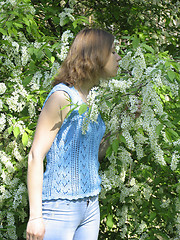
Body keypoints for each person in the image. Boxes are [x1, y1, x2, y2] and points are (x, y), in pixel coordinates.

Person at [26, 28, 121, 240]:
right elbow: (35, 155)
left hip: (90, 206)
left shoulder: (91, 100)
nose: (118, 57)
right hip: (60, 208)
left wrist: (122, 122)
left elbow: (94, 155)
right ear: (96, 55)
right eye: (112, 52)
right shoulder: (62, 96)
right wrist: (35, 217)